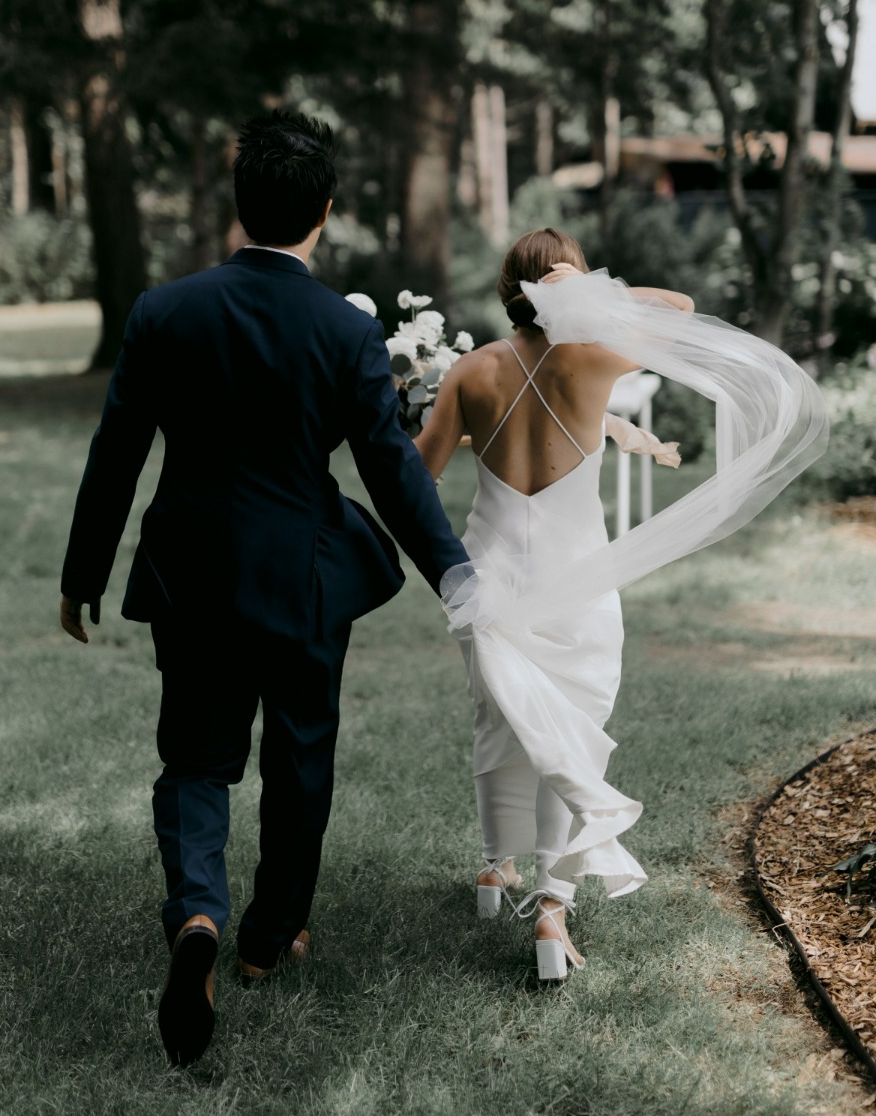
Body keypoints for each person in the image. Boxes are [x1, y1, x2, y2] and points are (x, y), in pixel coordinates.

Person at [59, 109, 468, 1065]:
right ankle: (266, 939)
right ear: (324, 212)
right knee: (299, 755)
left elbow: (116, 452)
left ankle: (198, 907)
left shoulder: (165, 310)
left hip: (192, 567)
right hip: (303, 575)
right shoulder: (343, 329)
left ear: (238, 208)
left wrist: (82, 575)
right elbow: (390, 468)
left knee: (197, 757)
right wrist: (452, 568)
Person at [415, 227, 828, 980]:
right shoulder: (597, 360)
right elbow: (682, 308)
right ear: (569, 288)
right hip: (577, 580)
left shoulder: (470, 372)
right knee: (569, 730)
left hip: (490, 574)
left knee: (501, 720)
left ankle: (490, 869)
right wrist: (591, 297)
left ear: (506, 288)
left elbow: (416, 475)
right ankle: (549, 907)